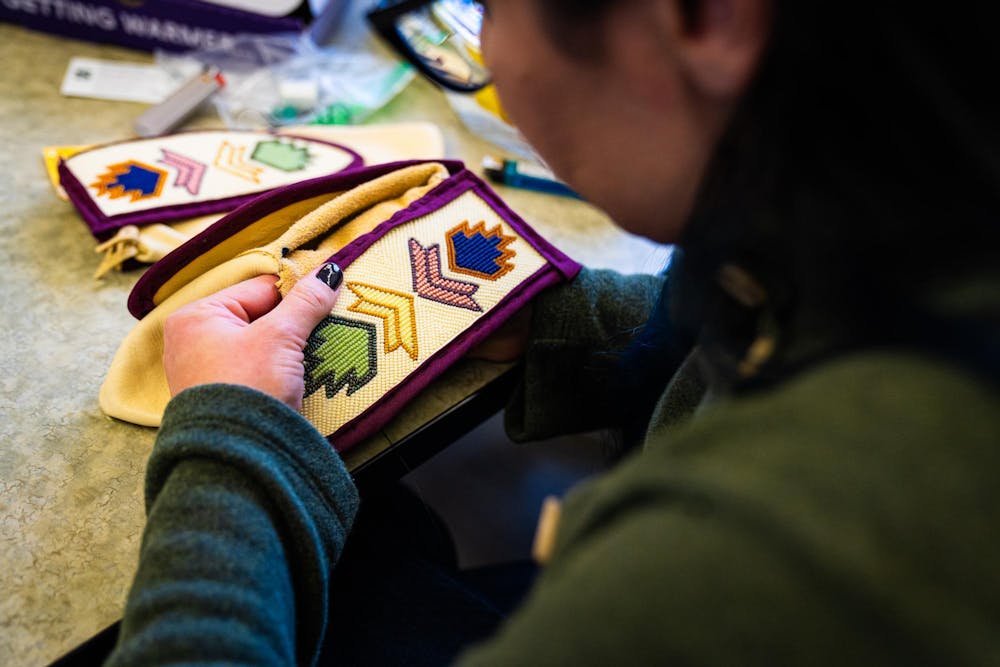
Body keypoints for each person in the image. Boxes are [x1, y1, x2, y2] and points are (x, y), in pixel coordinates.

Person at [105, 0, 999, 665]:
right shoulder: (912, 226)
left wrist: (231, 440)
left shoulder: (773, 553)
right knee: (382, 535)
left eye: (482, 8)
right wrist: (564, 319)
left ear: (706, 20)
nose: (483, 52)